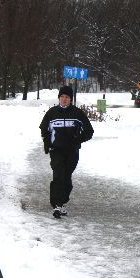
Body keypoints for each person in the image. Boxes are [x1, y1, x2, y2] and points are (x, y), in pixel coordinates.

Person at [39, 85, 94, 219]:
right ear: (59, 98)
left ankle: (62, 202)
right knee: (58, 174)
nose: (64, 99)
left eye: (67, 97)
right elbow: (44, 129)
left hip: (72, 151)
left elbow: (89, 131)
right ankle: (56, 204)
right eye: (62, 97)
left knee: (66, 176)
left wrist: (77, 140)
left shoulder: (78, 113)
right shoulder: (52, 113)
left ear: (71, 99)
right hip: (56, 149)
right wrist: (47, 143)